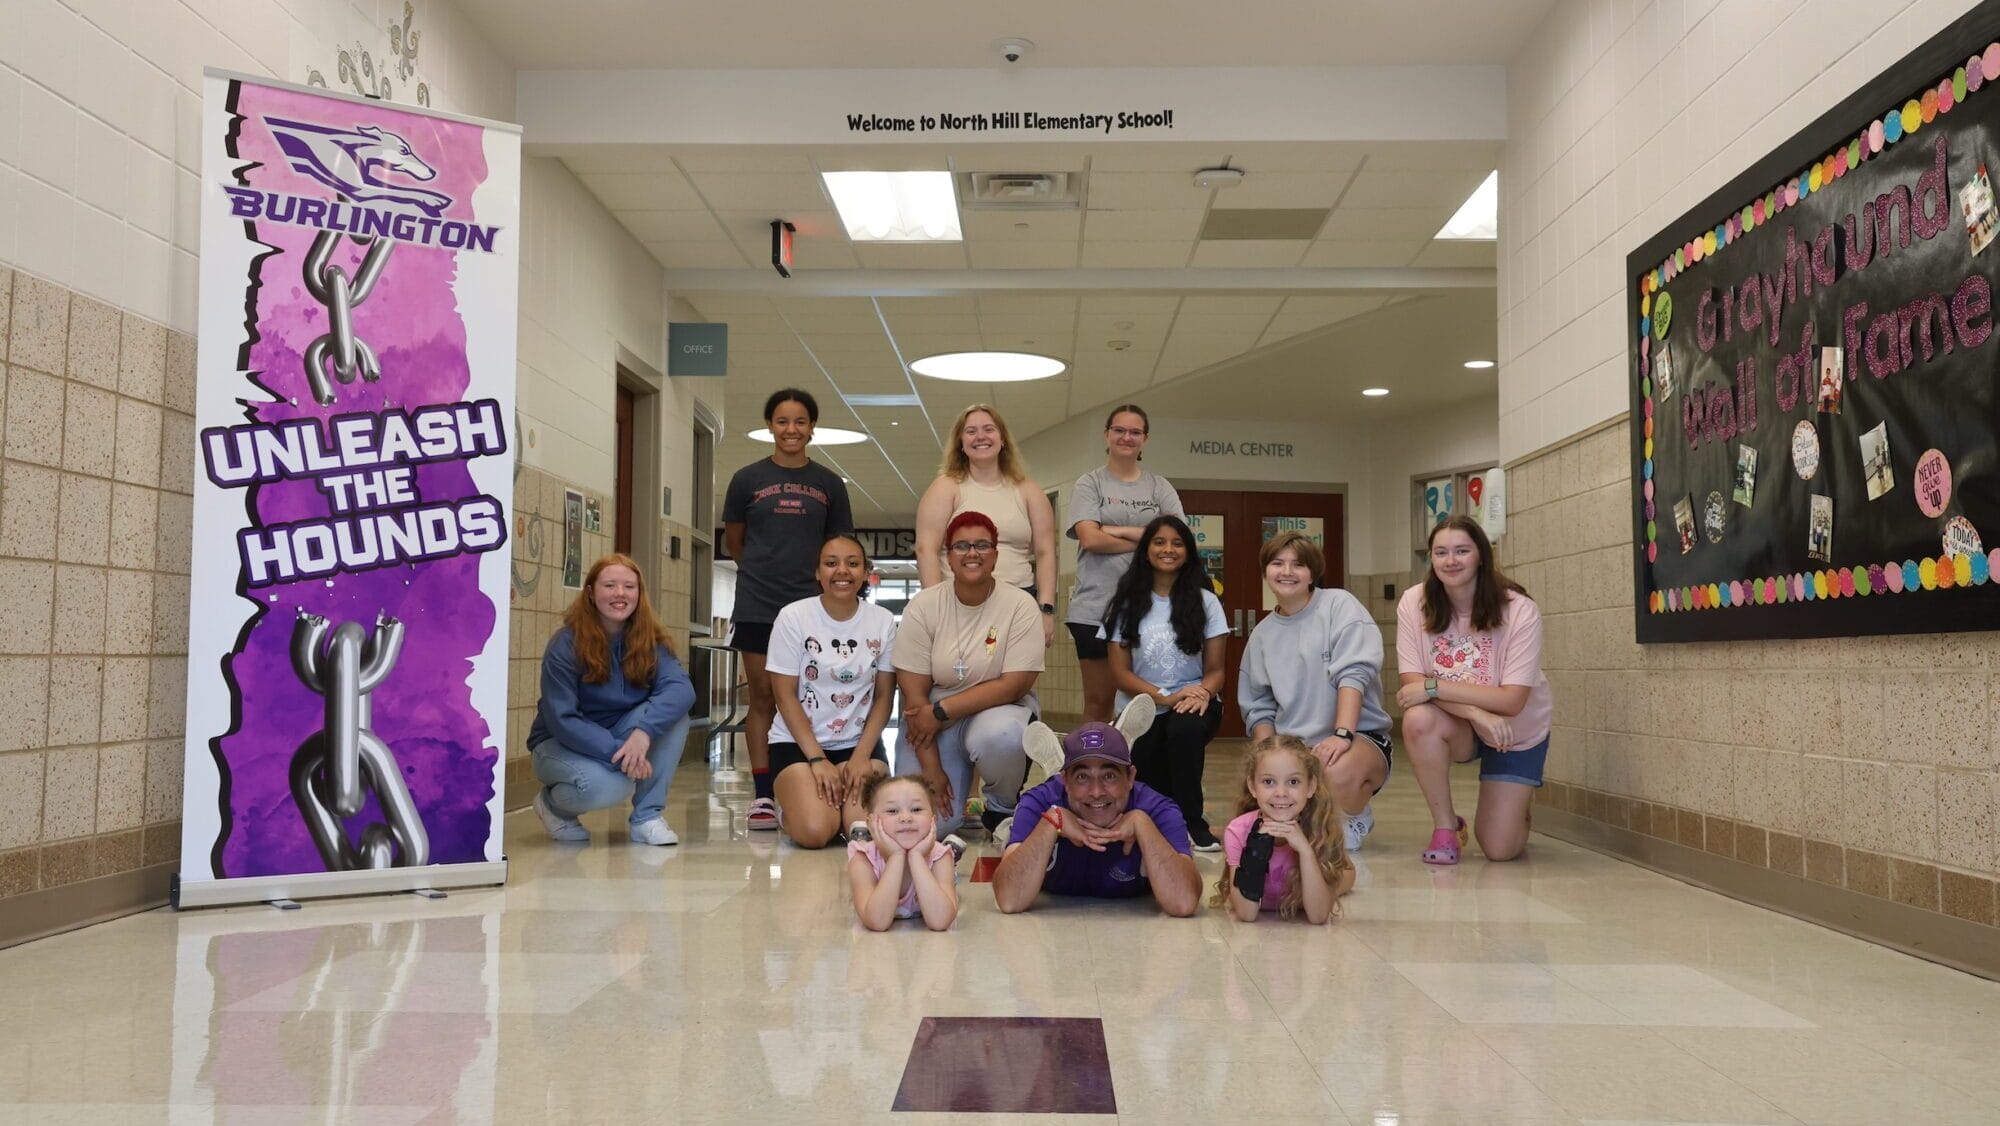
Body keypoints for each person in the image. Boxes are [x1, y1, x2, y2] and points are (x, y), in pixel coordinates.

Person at [723, 388, 855, 831]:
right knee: (762, 698)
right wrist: (765, 573)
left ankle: (808, 781)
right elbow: (736, 543)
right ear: (769, 426)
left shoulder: (829, 483)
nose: (791, 430)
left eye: (800, 421)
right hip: (759, 603)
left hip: (813, 608)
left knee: (806, 696)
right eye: (782, 421)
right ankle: (763, 795)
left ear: (812, 428)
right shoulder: (746, 479)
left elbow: (839, 547)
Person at [1394, 515, 1553, 865]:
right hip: (1461, 722)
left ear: (1481, 555)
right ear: (1431, 559)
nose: (1451, 561)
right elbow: (1410, 687)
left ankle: (1517, 809)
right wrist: (1475, 713)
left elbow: (1512, 700)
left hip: (1515, 730)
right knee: (1418, 719)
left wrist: (1433, 686)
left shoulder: (1518, 609)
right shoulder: (1413, 603)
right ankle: (1446, 827)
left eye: (1462, 551)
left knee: (1499, 850)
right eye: (1441, 552)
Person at [893, 510, 1045, 837]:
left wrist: (943, 710)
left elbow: (1015, 683)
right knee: (927, 827)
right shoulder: (923, 607)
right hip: (931, 721)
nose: (972, 553)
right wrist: (932, 769)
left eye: (981, 545)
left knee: (1003, 736)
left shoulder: (1020, 605)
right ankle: (952, 796)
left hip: (995, 712)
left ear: (995, 555)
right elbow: (914, 701)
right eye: (961, 546)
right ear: (949, 556)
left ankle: (1001, 807)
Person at [1237, 531, 1391, 853]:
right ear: (1266, 571)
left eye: (1299, 564)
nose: (1288, 572)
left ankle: (1355, 815)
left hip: (1358, 736)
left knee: (1331, 770)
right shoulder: (1262, 636)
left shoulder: (1339, 606)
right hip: (1296, 745)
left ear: (1313, 572)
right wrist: (1268, 757)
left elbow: (1354, 674)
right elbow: (1259, 707)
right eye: (1278, 563)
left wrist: (1341, 734)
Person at [528, 554, 696, 846]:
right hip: (559, 744)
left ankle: (647, 817)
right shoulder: (565, 645)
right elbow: (562, 720)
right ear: (591, 593)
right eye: (610, 585)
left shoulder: (650, 640)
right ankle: (552, 806)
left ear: (639, 594)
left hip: (622, 732)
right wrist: (620, 752)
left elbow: (681, 689)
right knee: (609, 787)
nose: (620, 594)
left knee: (675, 714)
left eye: (629, 586)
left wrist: (642, 735)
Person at [990, 702, 1202, 917]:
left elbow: (1183, 903)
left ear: (1130, 777)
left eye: (1109, 776)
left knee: (1180, 847)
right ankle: (1059, 768)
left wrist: (1142, 823)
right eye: (1082, 777)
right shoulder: (1039, 802)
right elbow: (1009, 901)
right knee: (1006, 834)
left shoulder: (1157, 808)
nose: (1096, 791)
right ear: (1064, 781)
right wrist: (1053, 821)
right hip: (1054, 805)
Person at [1101, 514, 1226, 852]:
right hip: (1141, 706)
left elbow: (1216, 669)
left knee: (1184, 730)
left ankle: (1192, 821)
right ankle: (1161, 818)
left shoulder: (1206, 601)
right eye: (1159, 542)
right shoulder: (1125, 604)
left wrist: (1202, 692)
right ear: (1146, 550)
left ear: (1187, 551)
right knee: (1151, 783)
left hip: (1194, 700)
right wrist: (1164, 699)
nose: (1168, 549)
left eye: (1177, 543)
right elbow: (1120, 674)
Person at [765, 534, 898, 849]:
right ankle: (795, 811)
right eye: (831, 563)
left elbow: (884, 697)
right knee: (815, 833)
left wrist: (862, 756)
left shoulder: (882, 621)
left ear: (866, 573)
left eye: (853, 564)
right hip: (798, 744)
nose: (842, 571)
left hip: (857, 744)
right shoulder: (793, 617)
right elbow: (784, 696)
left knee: (864, 829)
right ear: (817, 572)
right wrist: (816, 759)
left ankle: (829, 803)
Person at [1065, 404, 1184, 722]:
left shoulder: (1160, 487)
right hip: (1095, 611)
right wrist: (1149, 539)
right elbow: (1090, 539)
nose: (1126, 437)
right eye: (1119, 430)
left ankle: (1135, 770)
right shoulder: (1089, 484)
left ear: (1145, 439)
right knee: (1099, 702)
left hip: (1150, 611)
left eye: (1135, 432)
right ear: (1106, 434)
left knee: (1144, 704)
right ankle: (1091, 769)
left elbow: (1176, 542)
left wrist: (1116, 530)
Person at [915, 404, 1059, 645]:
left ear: (1002, 439)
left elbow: (1046, 552)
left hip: (1017, 599)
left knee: (1015, 678)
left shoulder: (1029, 490)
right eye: (971, 431)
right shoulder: (945, 487)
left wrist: (1046, 609)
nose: (980, 436)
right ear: (960, 442)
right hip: (959, 601)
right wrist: (936, 607)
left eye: (989, 429)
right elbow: (925, 549)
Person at [1213, 735, 1354, 924]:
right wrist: (1256, 848)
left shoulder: (1319, 827)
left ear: (1311, 787)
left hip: (1328, 878)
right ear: (1252, 787)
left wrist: (1305, 850)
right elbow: (1247, 914)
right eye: (1269, 782)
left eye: (1293, 782)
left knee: (1345, 875)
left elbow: (1318, 916)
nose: (1281, 793)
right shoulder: (1237, 831)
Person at [847, 774, 960, 931]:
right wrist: (896, 856)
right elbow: (877, 922)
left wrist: (917, 857)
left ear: (934, 820)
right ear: (871, 823)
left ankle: (953, 851)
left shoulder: (940, 857)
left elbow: (940, 921)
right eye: (892, 811)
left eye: (916, 809)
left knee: (947, 860)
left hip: (933, 854)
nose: (906, 818)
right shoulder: (862, 859)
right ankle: (864, 837)